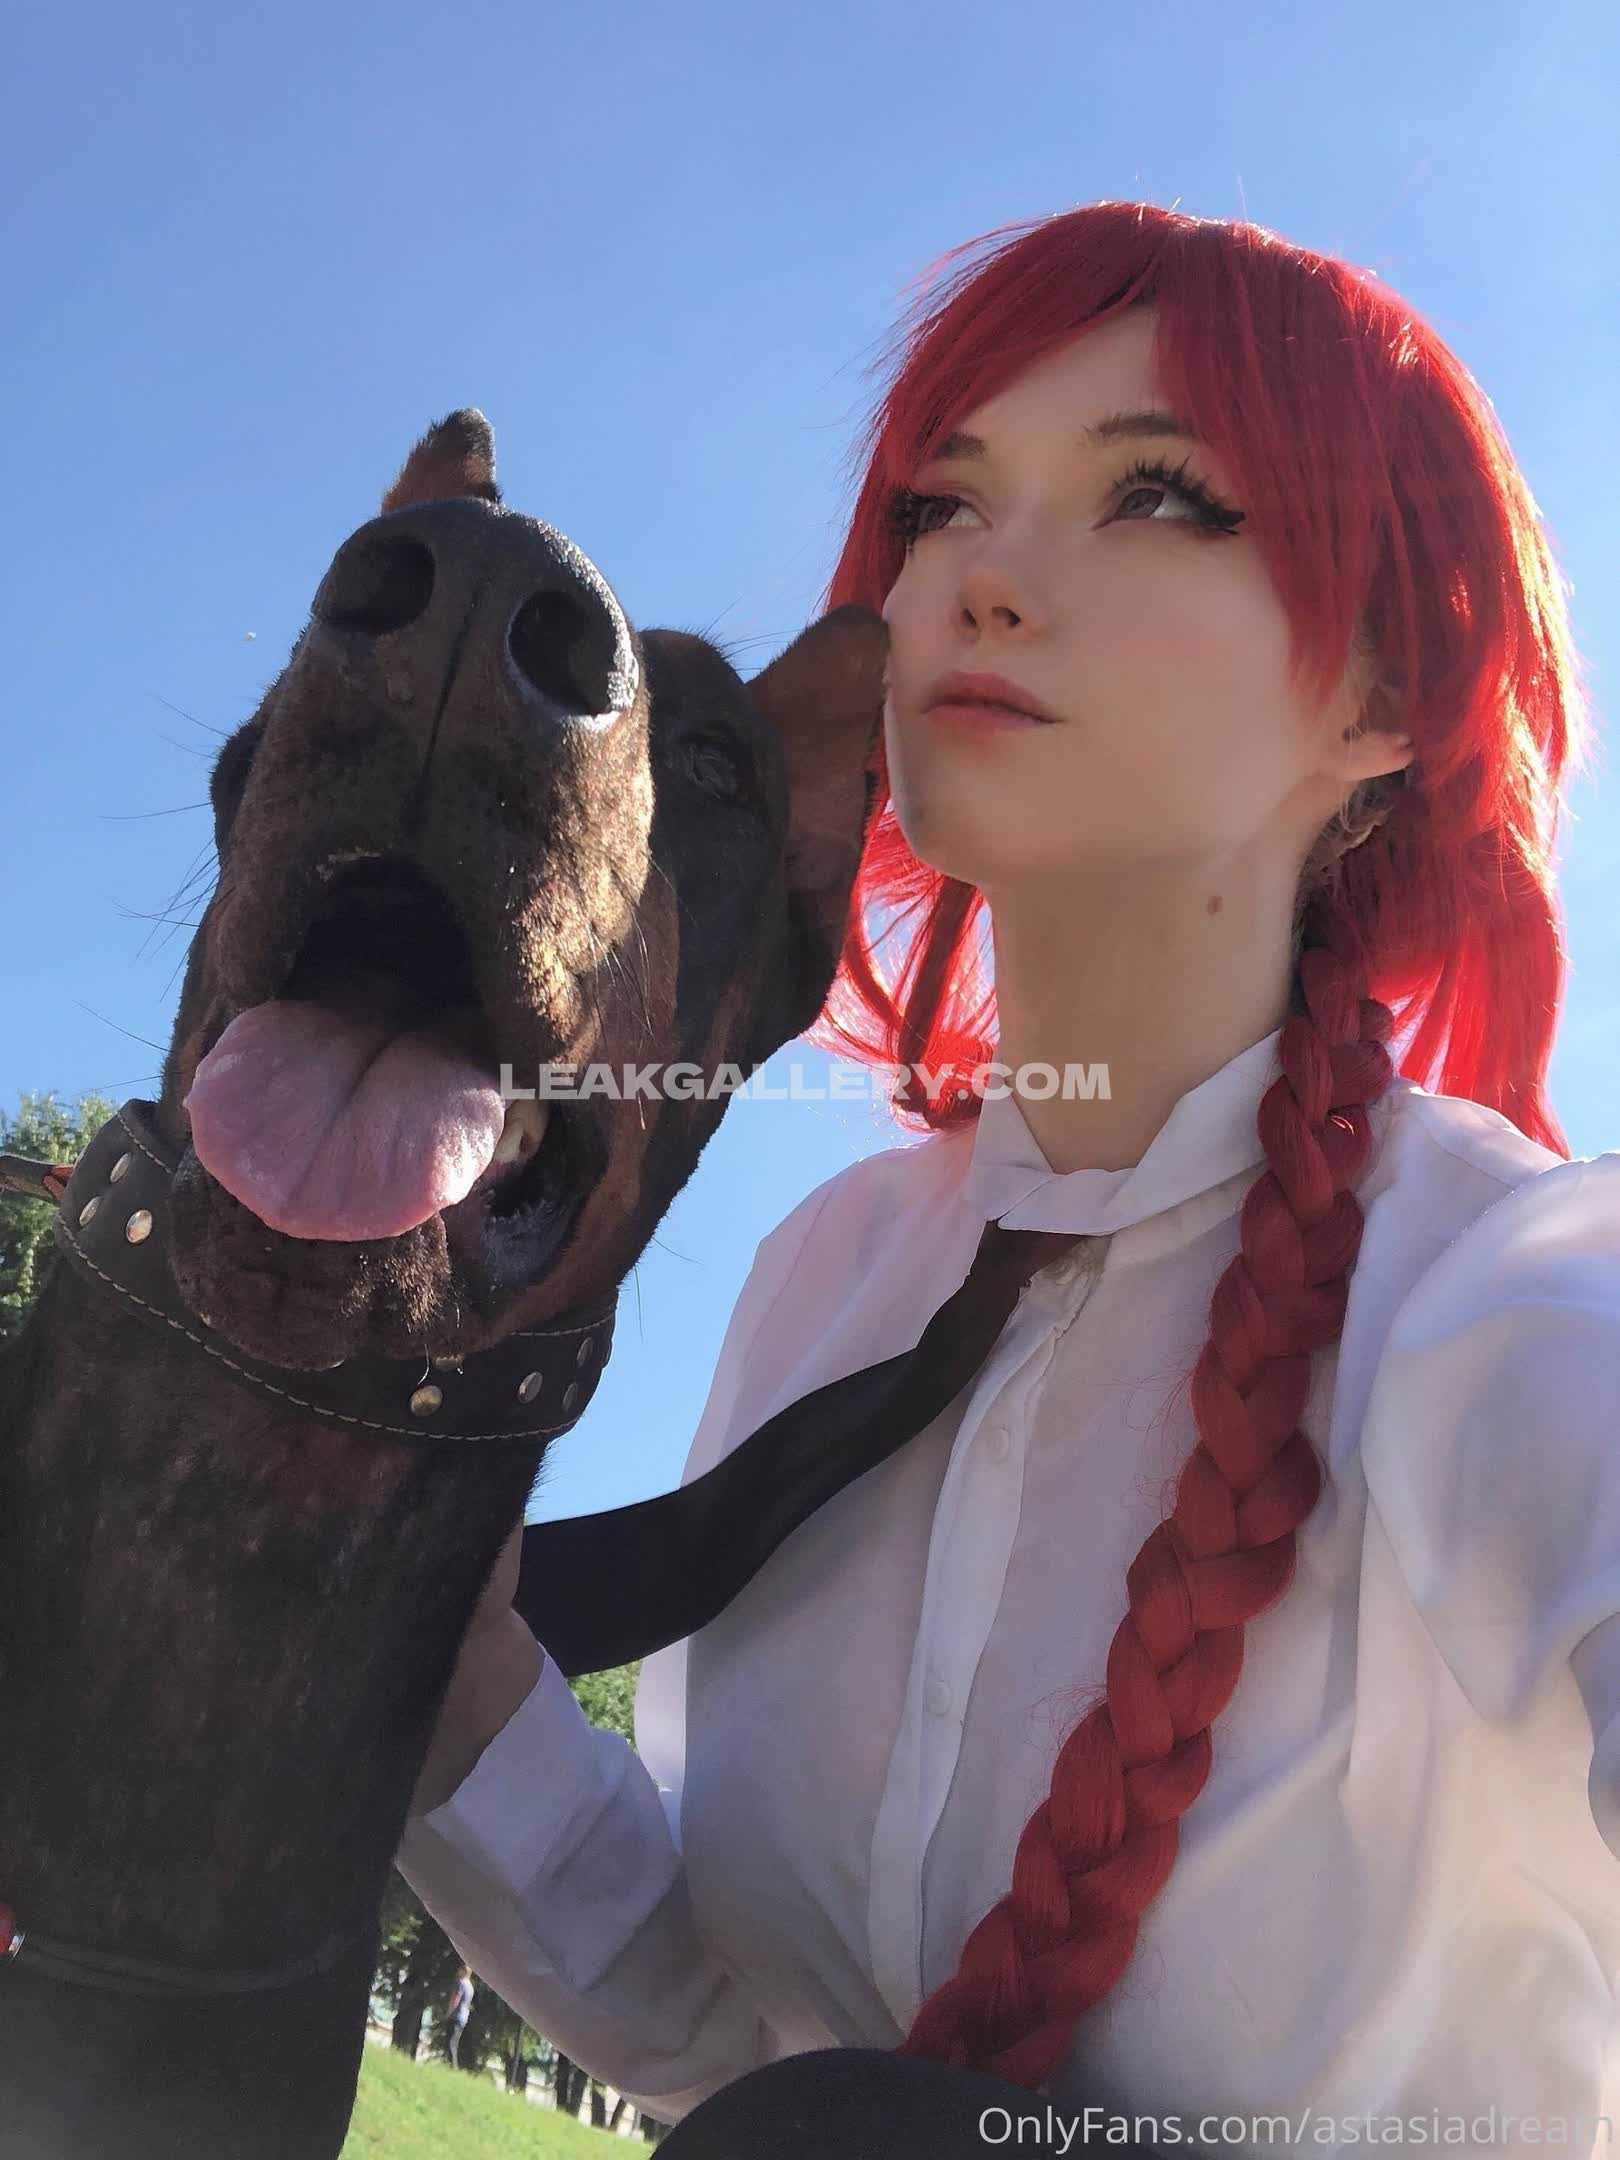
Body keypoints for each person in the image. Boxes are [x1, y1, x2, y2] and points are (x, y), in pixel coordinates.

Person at [396, 203, 1617, 2156]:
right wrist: (430, 1673)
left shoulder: (1518, 1304)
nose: (985, 577)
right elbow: (766, 2062)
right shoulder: (824, 1280)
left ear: (1384, 690)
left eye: (1160, 496)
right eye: (942, 506)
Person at [443, 1962, 475, 2069]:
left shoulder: (460, 1983)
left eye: (459, 1970)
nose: (457, 1971)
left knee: (450, 2042)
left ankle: (452, 2066)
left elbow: (455, 1999)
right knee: (454, 2042)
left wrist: (449, 2012)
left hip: (456, 2016)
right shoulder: (470, 1987)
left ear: (463, 1971)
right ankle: (452, 2065)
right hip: (464, 2018)